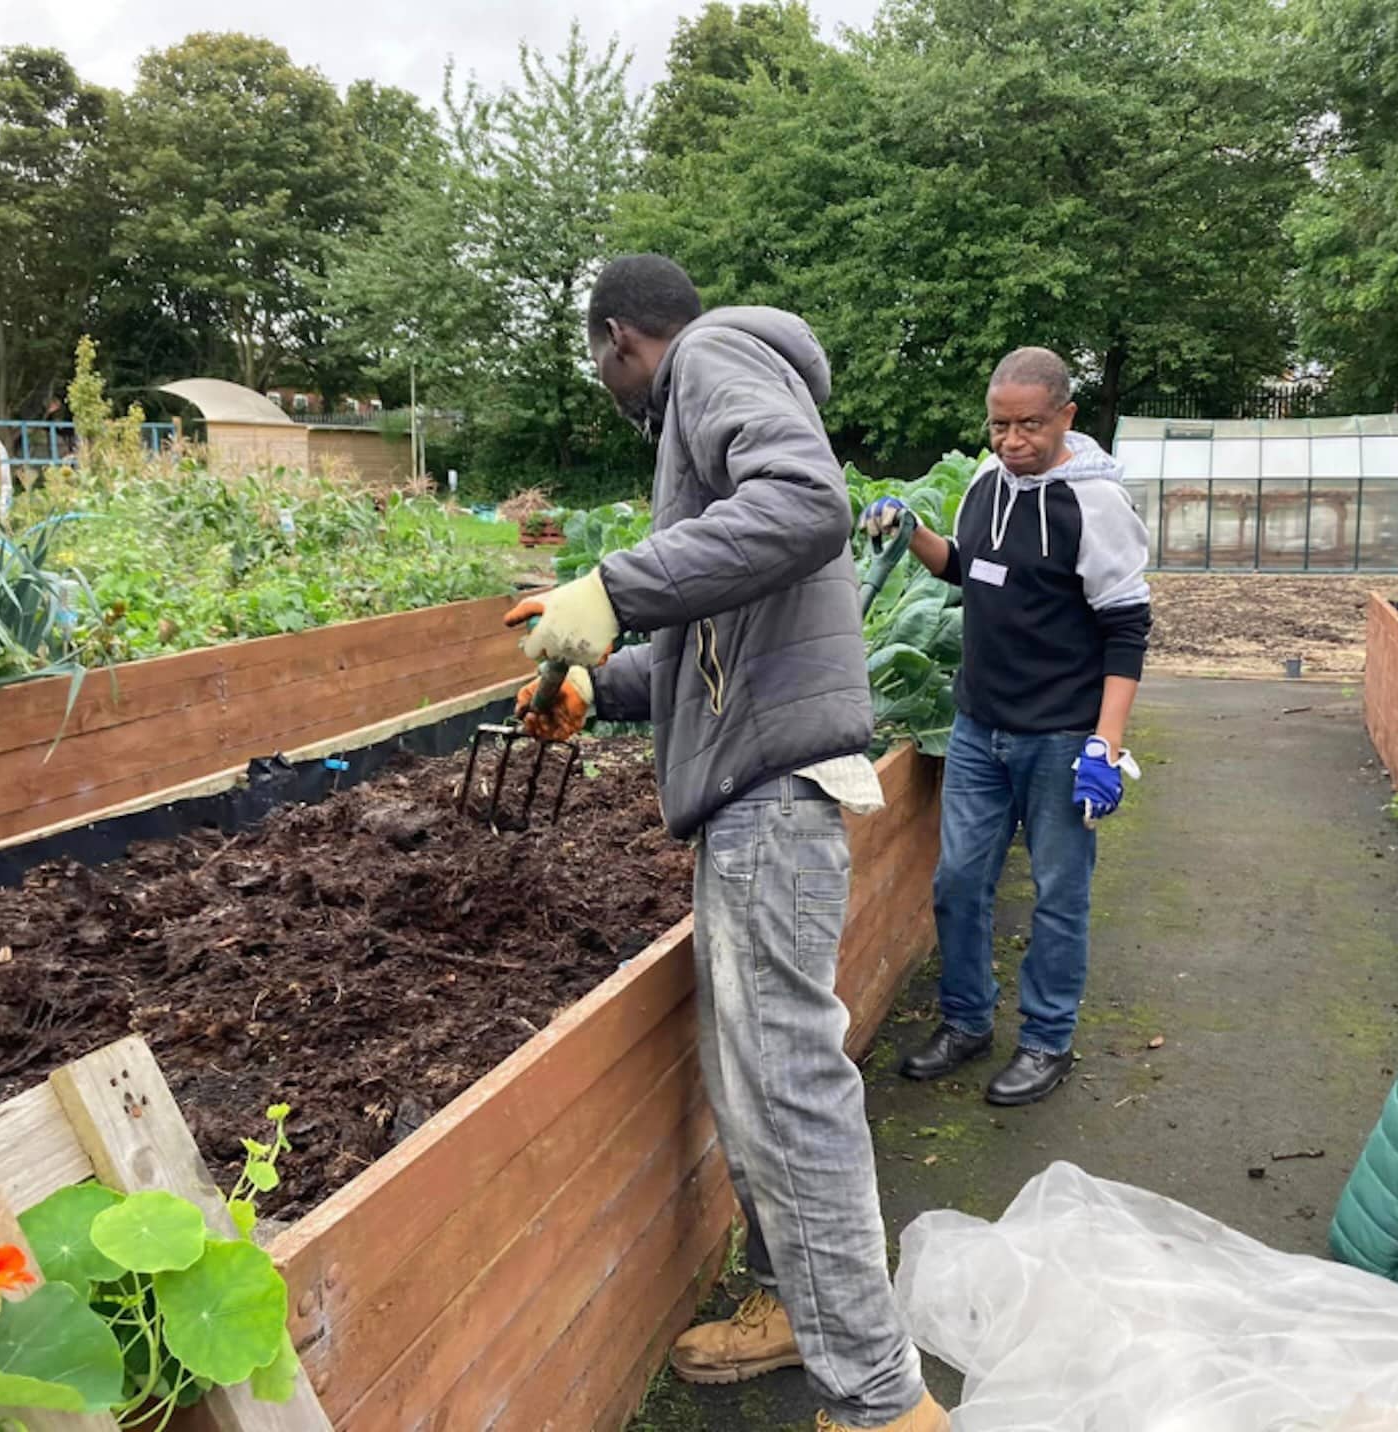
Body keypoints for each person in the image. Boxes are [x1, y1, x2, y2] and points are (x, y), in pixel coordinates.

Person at [503, 254, 945, 1432]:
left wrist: (609, 587)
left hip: (770, 797)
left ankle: (883, 1404)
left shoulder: (710, 360)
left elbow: (809, 507)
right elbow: (716, 651)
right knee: (755, 1092)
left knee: (789, 1090)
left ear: (615, 338)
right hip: (753, 789)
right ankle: (797, 1308)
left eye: (594, 359)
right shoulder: (719, 392)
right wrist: (606, 684)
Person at [862, 347, 1152, 1107]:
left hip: (1060, 738)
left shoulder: (1094, 505)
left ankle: (1047, 1039)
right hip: (978, 727)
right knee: (959, 881)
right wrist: (910, 529)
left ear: (1066, 418)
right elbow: (967, 568)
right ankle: (966, 1021)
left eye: (1029, 425)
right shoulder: (988, 486)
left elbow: (1126, 628)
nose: (1012, 441)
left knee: (1059, 893)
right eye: (999, 426)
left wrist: (1105, 744)